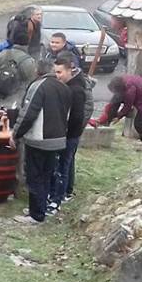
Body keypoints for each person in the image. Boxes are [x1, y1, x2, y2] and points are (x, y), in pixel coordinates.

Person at [9, 61, 72, 225]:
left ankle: (36, 214)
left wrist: (15, 133)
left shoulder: (38, 86)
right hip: (58, 139)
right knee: (46, 175)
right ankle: (39, 208)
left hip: (39, 139)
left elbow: (28, 114)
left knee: (35, 176)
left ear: (37, 71)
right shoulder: (64, 87)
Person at [48, 53, 91, 213]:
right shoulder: (68, 86)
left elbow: (76, 116)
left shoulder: (75, 90)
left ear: (69, 71)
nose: (57, 76)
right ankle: (54, 196)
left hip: (69, 135)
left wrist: (65, 133)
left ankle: (57, 201)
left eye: (60, 73)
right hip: (64, 133)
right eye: (55, 72)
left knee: (62, 168)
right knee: (59, 166)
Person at [89, 75, 142, 151]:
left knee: (139, 123)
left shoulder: (129, 90)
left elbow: (127, 106)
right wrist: (110, 113)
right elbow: (117, 99)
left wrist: (119, 116)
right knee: (116, 101)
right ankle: (107, 121)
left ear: (119, 88)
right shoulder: (123, 82)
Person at [0, 23, 38, 110]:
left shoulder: (1, 55)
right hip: (17, 102)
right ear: (28, 42)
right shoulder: (28, 61)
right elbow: (31, 85)